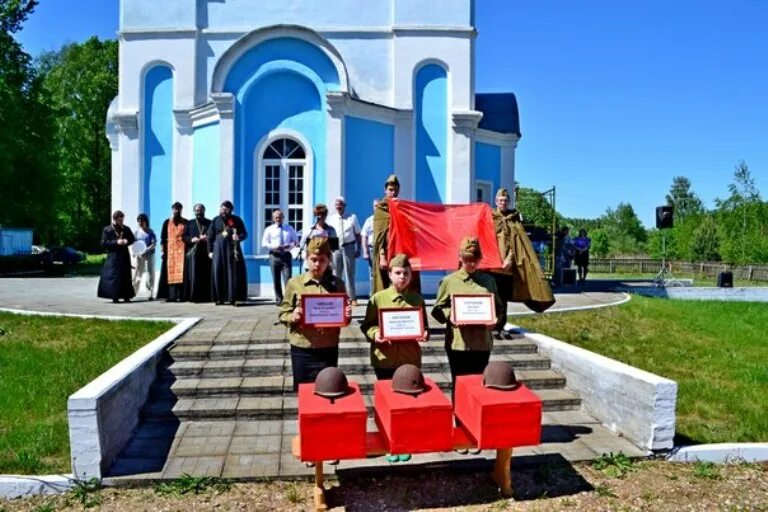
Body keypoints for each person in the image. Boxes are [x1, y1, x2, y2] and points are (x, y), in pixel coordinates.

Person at [361, 253, 428, 463]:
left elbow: (424, 326)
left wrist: (424, 334)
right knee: (386, 402)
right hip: (385, 358)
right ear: (389, 274)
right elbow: (367, 326)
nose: (402, 277)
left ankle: (404, 441)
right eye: (398, 273)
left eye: (406, 273)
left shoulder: (417, 299)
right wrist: (375, 335)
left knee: (407, 402)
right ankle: (387, 441)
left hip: (408, 360)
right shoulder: (378, 299)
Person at [431, 237, 504, 401]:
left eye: (475, 259)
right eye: (467, 260)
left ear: (480, 258)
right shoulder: (449, 282)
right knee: (459, 384)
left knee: (479, 385)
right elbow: (438, 309)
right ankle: (458, 421)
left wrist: (495, 320)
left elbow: (499, 307)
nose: (471, 264)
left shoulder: (488, 281)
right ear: (459, 257)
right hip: (458, 343)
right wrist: (452, 316)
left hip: (481, 342)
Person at [279, 237, 352, 391]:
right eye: (313, 259)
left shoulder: (338, 284)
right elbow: (283, 314)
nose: (317, 264)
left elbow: (343, 319)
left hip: (328, 347)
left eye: (322, 260)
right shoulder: (295, 283)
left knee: (328, 392)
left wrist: (346, 315)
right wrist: (293, 316)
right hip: (303, 348)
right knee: (304, 394)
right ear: (306, 258)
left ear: (329, 260)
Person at [490, 187, 555, 316]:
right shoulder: (490, 218)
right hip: (492, 267)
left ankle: (500, 327)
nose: (503, 203)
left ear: (509, 202)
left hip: (508, 267)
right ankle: (490, 326)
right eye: (501, 200)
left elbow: (518, 242)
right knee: (491, 297)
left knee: (503, 298)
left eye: (505, 200)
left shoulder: (514, 219)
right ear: (496, 201)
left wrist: (510, 257)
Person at [372, 174, 420, 294]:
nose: (393, 192)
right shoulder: (381, 209)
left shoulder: (402, 207)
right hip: (387, 251)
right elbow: (379, 236)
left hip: (400, 251)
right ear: (385, 190)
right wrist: (382, 256)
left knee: (402, 279)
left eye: (395, 190)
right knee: (385, 282)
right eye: (390, 190)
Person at [208, 200, 248, 305]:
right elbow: (210, 237)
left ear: (230, 210)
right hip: (218, 251)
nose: (223, 210)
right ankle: (219, 298)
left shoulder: (236, 220)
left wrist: (238, 237)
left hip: (232, 251)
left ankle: (232, 298)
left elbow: (244, 234)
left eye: (225, 209)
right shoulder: (215, 220)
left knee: (232, 274)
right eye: (222, 208)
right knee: (218, 272)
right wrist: (209, 251)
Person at [327, 196, 362, 305]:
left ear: (344, 206)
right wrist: (331, 250)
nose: (339, 207)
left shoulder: (352, 217)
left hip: (349, 247)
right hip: (336, 247)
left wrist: (359, 248)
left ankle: (352, 297)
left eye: (340, 205)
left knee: (350, 273)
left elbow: (357, 234)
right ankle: (338, 297)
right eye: (337, 205)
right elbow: (330, 235)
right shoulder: (331, 219)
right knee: (336, 273)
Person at [261, 208, 299, 305]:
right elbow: (264, 243)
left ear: (283, 218)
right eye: (276, 217)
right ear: (273, 219)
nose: (278, 219)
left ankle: (288, 300)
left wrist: (289, 245)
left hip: (286, 255)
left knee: (288, 279)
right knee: (276, 279)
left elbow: (296, 241)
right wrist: (274, 246)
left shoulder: (289, 228)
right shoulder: (269, 229)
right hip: (274, 256)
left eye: (280, 217)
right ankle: (279, 299)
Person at [97, 210, 136, 303]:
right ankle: (115, 297)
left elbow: (132, 239)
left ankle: (127, 296)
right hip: (113, 256)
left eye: (122, 220)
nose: (121, 222)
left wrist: (127, 241)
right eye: (120, 220)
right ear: (115, 219)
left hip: (124, 256)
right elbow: (104, 243)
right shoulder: (107, 229)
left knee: (126, 276)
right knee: (115, 277)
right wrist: (116, 242)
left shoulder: (126, 229)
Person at [157, 202, 187, 302]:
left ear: (181, 210)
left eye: (178, 209)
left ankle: (181, 296)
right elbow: (162, 238)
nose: (176, 211)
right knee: (168, 273)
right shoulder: (166, 222)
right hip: (169, 252)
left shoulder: (185, 222)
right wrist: (162, 251)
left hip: (182, 252)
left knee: (182, 274)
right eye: (174, 209)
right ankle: (171, 296)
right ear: (172, 210)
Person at [183, 203, 213, 302]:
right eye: (196, 210)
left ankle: (207, 297)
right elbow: (184, 237)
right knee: (194, 275)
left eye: (200, 210)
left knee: (206, 274)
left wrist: (207, 237)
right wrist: (192, 239)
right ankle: (194, 297)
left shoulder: (210, 223)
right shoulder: (190, 223)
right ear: (194, 212)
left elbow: (214, 235)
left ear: (204, 211)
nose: (198, 212)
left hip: (206, 252)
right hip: (194, 253)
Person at [299, 204, 338, 270]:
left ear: (325, 216)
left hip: (325, 262)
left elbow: (334, 247)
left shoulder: (331, 230)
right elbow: (302, 244)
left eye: (323, 215)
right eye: (318, 215)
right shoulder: (309, 230)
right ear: (315, 215)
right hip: (312, 261)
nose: (320, 217)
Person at [132, 213, 157, 300]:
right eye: (139, 221)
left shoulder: (150, 232)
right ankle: (133, 292)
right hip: (140, 256)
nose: (140, 223)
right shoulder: (136, 232)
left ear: (146, 221)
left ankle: (150, 294)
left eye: (142, 221)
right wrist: (135, 253)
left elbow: (153, 244)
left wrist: (145, 250)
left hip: (150, 255)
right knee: (138, 274)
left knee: (150, 274)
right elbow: (134, 244)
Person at [361, 199, 378, 295]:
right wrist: (365, 251)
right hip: (372, 249)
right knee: (372, 273)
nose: (377, 208)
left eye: (378, 206)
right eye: (375, 206)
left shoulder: (387, 219)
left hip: (384, 249)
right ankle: (372, 295)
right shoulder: (369, 220)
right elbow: (364, 236)